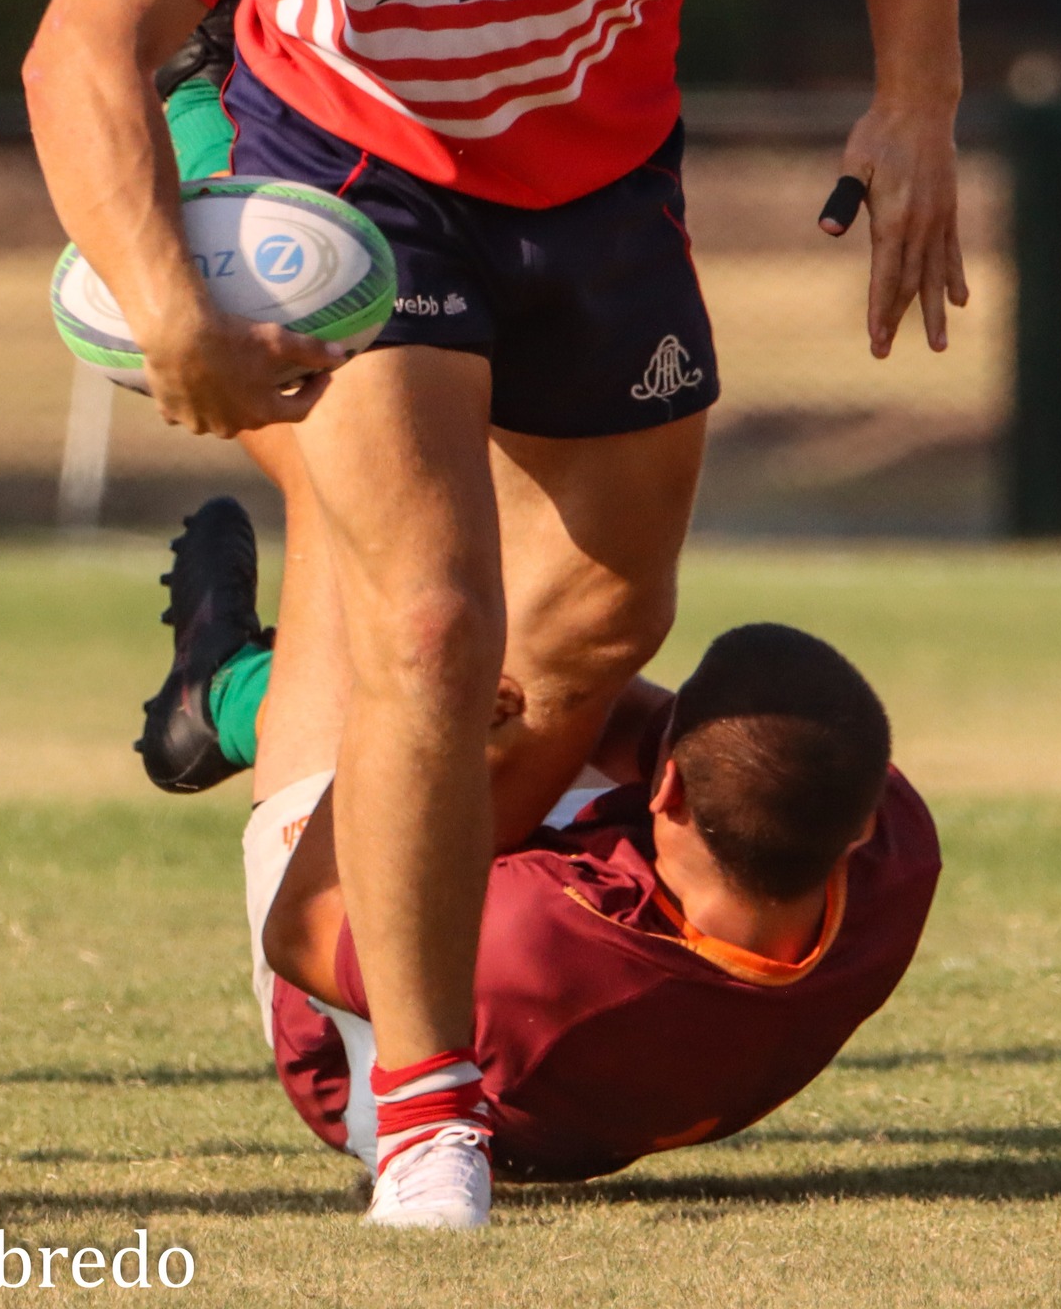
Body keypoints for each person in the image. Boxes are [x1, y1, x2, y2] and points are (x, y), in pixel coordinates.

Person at [23, 0, 966, 1226]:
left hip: (599, 195)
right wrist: (171, 306)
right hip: (354, 180)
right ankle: (429, 1105)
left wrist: (916, 95)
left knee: (597, 618)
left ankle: (287, 774)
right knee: (439, 617)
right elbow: (75, 47)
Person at [148, 498, 940, 1217]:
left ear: (665, 791)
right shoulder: (896, 851)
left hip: (356, 1056)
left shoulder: (539, 931)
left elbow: (303, 930)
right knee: (529, 704)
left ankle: (226, 695)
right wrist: (531, 672)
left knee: (358, 564)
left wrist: (430, 702)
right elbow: (663, 738)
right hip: (618, 1072)